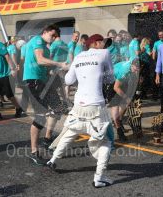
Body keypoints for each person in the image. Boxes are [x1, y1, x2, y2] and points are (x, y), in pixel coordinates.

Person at [47, 34, 115, 188]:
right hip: (96, 105)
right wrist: (100, 75)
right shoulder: (105, 53)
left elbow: (68, 81)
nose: (105, 46)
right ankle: (99, 177)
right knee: (106, 141)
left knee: (71, 132)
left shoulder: (79, 56)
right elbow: (111, 79)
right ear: (97, 43)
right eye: (103, 43)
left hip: (79, 104)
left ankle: (53, 160)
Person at [23, 25, 67, 165]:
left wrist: (55, 71)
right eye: (52, 35)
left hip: (44, 82)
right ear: (45, 32)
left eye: (55, 36)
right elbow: (40, 60)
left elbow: (46, 66)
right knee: (40, 117)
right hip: (34, 81)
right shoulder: (37, 40)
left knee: (59, 108)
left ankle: (47, 139)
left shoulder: (47, 48)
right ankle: (34, 152)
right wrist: (60, 63)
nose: (53, 38)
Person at [110, 58, 140, 141]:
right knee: (115, 106)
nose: (137, 70)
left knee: (126, 104)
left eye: (138, 69)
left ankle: (118, 121)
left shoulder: (133, 67)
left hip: (120, 80)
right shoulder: (125, 71)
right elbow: (116, 88)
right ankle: (119, 131)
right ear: (131, 65)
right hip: (110, 81)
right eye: (135, 68)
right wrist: (126, 98)